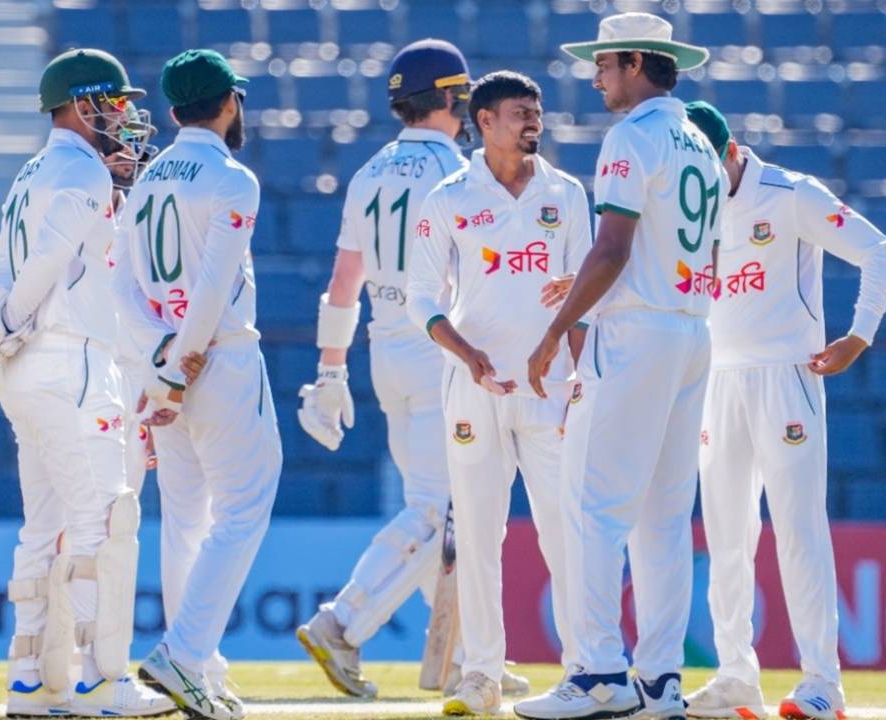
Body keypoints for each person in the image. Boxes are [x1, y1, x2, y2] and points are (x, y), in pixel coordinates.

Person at [0, 48, 174, 718]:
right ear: (81, 105)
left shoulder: (31, 172)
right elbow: (48, 257)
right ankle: (103, 681)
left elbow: (1, 263)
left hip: (25, 367)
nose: (125, 116)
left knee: (41, 527)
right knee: (104, 519)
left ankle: (30, 680)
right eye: (114, 103)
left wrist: (2, 326)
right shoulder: (83, 171)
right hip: (72, 360)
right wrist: (10, 320)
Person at [516, 13, 724, 720]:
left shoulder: (632, 136)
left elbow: (613, 249)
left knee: (593, 508)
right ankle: (661, 681)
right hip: (691, 330)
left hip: (635, 334)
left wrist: (556, 330)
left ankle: (599, 672)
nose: (596, 76)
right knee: (664, 519)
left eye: (605, 63)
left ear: (637, 61)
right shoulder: (699, 141)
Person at [294, 38, 510, 701]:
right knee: (439, 511)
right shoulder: (463, 175)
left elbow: (343, 281)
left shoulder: (369, 172)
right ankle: (342, 623)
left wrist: (331, 372)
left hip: (385, 351)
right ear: (450, 98)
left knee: (440, 511)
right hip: (440, 350)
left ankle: (470, 656)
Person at [681, 101, 886, 720]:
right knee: (725, 537)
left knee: (798, 529)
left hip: (787, 376)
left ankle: (823, 683)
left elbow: (878, 250)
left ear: (728, 152)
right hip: (717, 380)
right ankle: (734, 677)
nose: (694, 185)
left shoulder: (790, 193)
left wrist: (860, 334)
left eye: (703, 168)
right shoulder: (686, 202)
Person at [406, 70, 591, 717]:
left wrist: (583, 376)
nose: (533, 121)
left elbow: (589, 294)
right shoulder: (449, 197)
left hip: (550, 388)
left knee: (565, 533)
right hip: (475, 387)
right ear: (484, 121)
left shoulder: (567, 193)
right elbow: (420, 298)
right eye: (519, 112)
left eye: (536, 112)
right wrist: (467, 354)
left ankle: (585, 670)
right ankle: (481, 675)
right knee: (480, 536)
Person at [111, 49, 282, 720]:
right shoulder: (233, 178)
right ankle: (185, 654)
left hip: (162, 361)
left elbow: (122, 284)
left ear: (174, 108)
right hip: (219, 359)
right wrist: (180, 363)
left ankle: (198, 666)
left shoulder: (148, 177)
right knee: (243, 509)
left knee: (186, 519)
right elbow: (214, 282)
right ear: (229, 102)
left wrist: (157, 359)